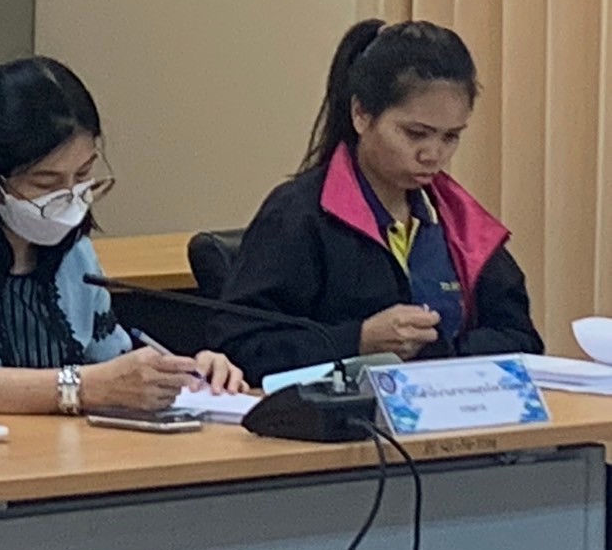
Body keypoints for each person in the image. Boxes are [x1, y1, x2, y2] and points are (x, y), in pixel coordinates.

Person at [0, 56, 245, 419]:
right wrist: (84, 387)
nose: (70, 198)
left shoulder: (75, 254)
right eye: (46, 183)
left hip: (43, 460)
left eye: (83, 175)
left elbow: (114, 369)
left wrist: (182, 375)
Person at [210, 19, 543, 383]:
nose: (433, 155)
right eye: (415, 134)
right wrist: (358, 340)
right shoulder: (299, 215)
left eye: (450, 137)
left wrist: (444, 353)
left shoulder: (458, 222)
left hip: (454, 408)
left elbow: (522, 340)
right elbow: (240, 347)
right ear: (361, 115)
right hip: (338, 416)